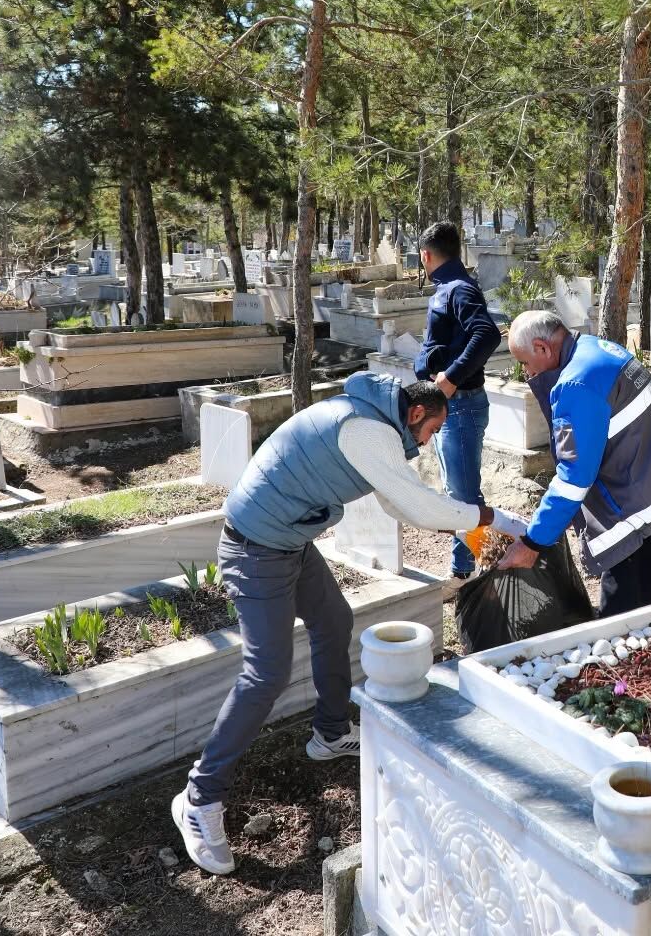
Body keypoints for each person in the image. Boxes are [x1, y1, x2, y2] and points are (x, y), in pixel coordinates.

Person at [172, 372, 526, 875]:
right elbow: (419, 506)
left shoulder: (373, 425)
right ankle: (199, 797)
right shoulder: (366, 430)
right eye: (431, 431)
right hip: (256, 550)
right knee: (266, 674)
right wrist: (498, 519)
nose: (428, 443)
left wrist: (467, 518)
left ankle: (331, 733)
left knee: (334, 620)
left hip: (288, 542)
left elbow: (398, 500)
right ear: (415, 414)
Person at [498, 311, 651, 617]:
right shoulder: (595, 350)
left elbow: (574, 477)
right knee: (636, 616)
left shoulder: (576, 385)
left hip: (640, 524)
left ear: (542, 348)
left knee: (619, 628)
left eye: (524, 362)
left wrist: (533, 542)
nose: (527, 373)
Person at [415, 220, 501, 579]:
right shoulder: (450, 287)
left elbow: (487, 334)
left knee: (464, 499)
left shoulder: (458, 289)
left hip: (461, 405)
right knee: (459, 495)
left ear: (426, 255)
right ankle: (471, 570)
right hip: (453, 405)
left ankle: (479, 572)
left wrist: (450, 377)